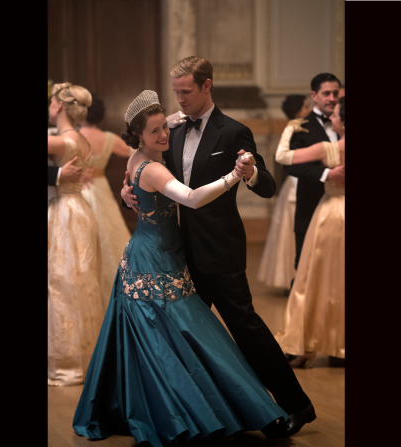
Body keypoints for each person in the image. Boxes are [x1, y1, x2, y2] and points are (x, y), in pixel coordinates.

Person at [73, 90, 287, 447]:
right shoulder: (154, 167)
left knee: (181, 336)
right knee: (182, 336)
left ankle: (195, 405)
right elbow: (191, 198)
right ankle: (189, 410)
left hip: (158, 254)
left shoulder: (137, 157)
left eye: (164, 128)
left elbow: (168, 124)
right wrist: (234, 176)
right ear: (138, 135)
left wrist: (130, 189)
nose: (163, 136)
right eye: (154, 131)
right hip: (155, 260)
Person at [121, 56, 315, 438]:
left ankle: (298, 405)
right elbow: (148, 171)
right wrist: (128, 191)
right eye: (175, 92)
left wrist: (250, 172)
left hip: (220, 250)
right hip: (176, 253)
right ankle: (204, 413)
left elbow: (266, 186)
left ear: (207, 86)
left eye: (186, 92)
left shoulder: (233, 132)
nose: (180, 100)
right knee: (191, 337)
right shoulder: (171, 131)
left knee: (246, 330)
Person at [274, 97, 345, 369]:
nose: (332, 117)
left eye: (336, 114)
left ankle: (306, 344)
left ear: (341, 121)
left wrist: (291, 128)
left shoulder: (329, 149)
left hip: (331, 217)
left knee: (316, 280)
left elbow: (283, 156)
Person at [47, 82, 104, 386]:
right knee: (81, 283)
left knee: (61, 285)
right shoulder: (80, 139)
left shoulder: (59, 142)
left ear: (57, 106)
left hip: (65, 214)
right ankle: (86, 355)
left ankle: (66, 363)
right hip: (80, 210)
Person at [79, 97, 136, 311]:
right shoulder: (107, 138)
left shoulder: (71, 136)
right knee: (109, 237)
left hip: (79, 189)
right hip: (100, 187)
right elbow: (133, 151)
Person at [285, 73, 345, 275]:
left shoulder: (342, 121)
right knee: (306, 270)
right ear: (314, 96)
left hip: (341, 210)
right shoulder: (300, 126)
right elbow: (289, 166)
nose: (332, 98)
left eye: (335, 93)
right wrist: (327, 174)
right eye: (326, 93)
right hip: (311, 207)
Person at [256, 94, 311, 290]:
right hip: (297, 184)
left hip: (301, 182)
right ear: (297, 111)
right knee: (292, 232)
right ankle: (293, 277)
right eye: (306, 106)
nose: (309, 109)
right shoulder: (296, 130)